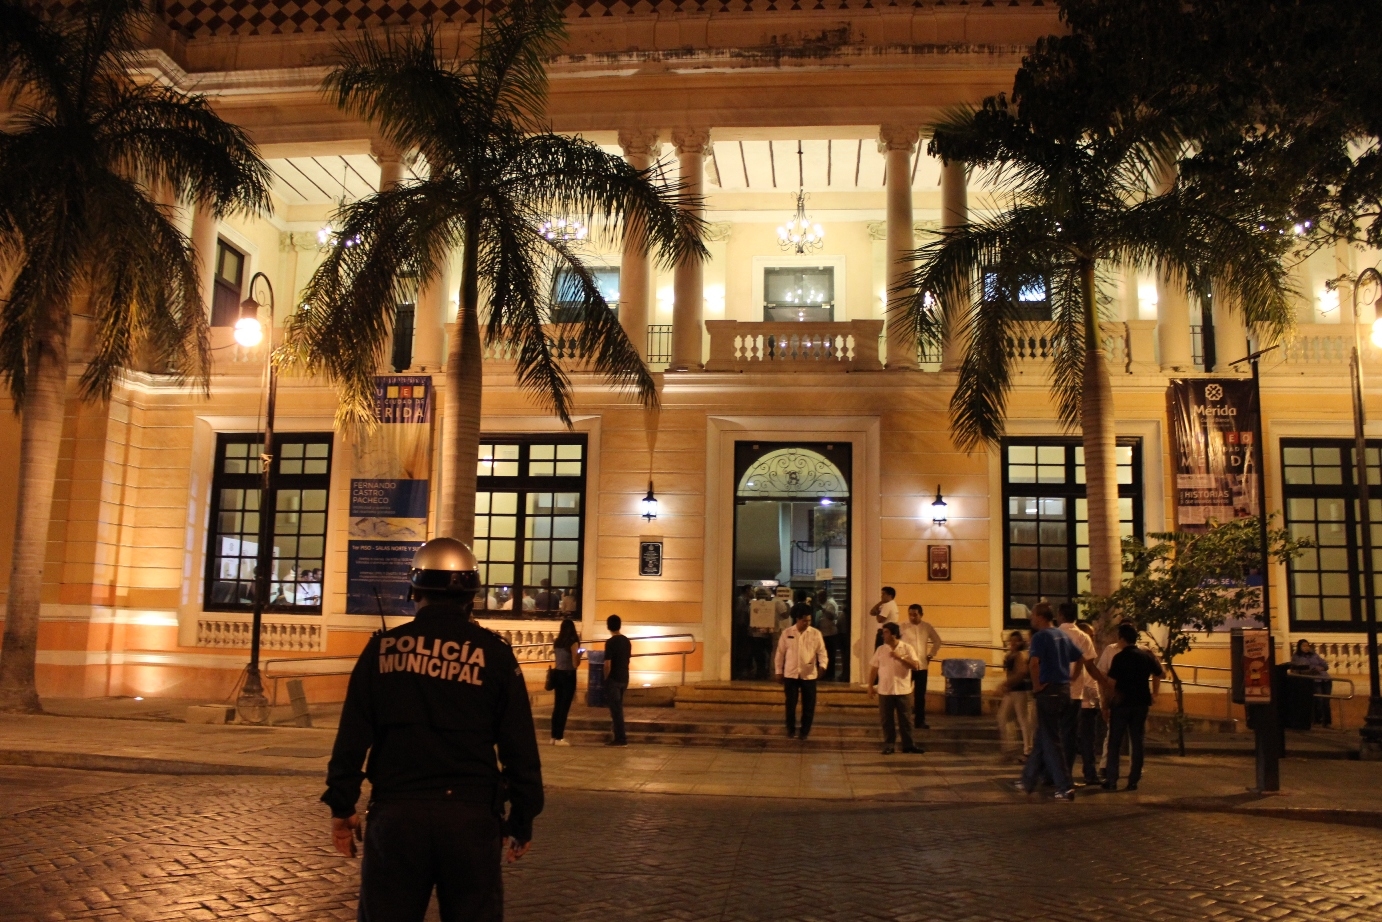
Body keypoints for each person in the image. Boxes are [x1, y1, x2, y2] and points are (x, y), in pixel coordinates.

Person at [322, 537, 543, 922]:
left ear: (414, 590)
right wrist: (522, 818)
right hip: (471, 821)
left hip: (397, 816)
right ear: (472, 594)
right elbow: (519, 747)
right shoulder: (494, 654)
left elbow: (353, 735)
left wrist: (343, 804)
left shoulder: (383, 650)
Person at [1016, 602, 1083, 800]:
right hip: (1063, 690)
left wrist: (1037, 686)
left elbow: (1034, 664)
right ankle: (1027, 780)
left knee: (1051, 740)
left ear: (1041, 617)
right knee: (1042, 738)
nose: (1031, 618)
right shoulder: (1062, 635)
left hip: (1048, 691)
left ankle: (1065, 786)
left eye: (1033, 615)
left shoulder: (1041, 637)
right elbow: (1080, 658)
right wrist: (1072, 678)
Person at [1101, 621, 1163, 791]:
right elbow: (1161, 673)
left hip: (1121, 704)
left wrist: (1105, 704)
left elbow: (1111, 683)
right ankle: (1133, 780)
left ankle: (1112, 780)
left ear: (1122, 639)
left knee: (1115, 742)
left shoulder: (1119, 658)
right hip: (1141, 703)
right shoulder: (1146, 655)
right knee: (1137, 742)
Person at [1056, 602, 1100, 787]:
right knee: (1069, 736)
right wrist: (1104, 682)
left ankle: (1050, 774)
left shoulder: (1053, 635)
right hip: (1074, 693)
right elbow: (1089, 665)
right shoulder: (1083, 637)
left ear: (1060, 615)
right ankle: (1065, 776)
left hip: (1054, 689)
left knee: (1051, 733)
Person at [774, 603, 830, 740]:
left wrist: (823, 666)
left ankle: (804, 731)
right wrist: (778, 671)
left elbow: (822, 652)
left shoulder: (816, 634)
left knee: (809, 705)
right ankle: (790, 729)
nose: (807, 623)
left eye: (809, 620)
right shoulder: (787, 633)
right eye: (804, 620)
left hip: (809, 674)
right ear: (797, 619)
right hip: (791, 674)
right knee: (791, 704)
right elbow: (780, 654)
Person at [868, 622, 924, 755]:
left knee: (905, 719)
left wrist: (901, 657)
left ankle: (908, 745)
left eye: (886, 632)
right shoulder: (881, 649)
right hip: (885, 689)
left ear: (894, 634)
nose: (883, 635)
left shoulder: (907, 648)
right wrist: (870, 686)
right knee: (886, 719)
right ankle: (889, 745)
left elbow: (915, 665)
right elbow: (874, 668)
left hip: (902, 689)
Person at [902, 604, 943, 729]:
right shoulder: (902, 627)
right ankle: (905, 720)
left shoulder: (926, 627)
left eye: (915, 614)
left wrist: (930, 654)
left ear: (921, 614)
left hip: (922, 666)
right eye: (910, 614)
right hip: (907, 666)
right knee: (904, 694)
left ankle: (920, 721)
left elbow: (937, 641)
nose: (912, 617)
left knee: (920, 696)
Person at [996, 630, 1033, 760]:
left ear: (1021, 642)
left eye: (1016, 640)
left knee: (1023, 720)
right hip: (1012, 691)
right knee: (1003, 717)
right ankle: (1010, 747)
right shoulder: (1010, 655)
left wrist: (1006, 684)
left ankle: (1028, 749)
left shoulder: (1021, 655)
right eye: (1011, 641)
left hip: (1020, 690)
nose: (1013, 643)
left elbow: (1021, 672)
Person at [549, 617, 582, 746]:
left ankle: (553, 736)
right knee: (564, 707)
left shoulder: (557, 642)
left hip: (557, 674)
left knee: (557, 706)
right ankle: (559, 737)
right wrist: (580, 654)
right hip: (568, 675)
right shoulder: (573, 642)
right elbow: (575, 663)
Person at [603, 615, 631, 746]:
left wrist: (605, 678)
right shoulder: (626, 641)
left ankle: (621, 738)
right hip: (624, 677)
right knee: (618, 707)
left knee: (616, 710)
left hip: (614, 678)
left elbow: (607, 664)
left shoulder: (610, 643)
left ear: (609, 626)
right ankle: (618, 736)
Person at [1292, 639, 1333, 727]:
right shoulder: (1296, 657)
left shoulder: (1314, 655)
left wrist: (1321, 668)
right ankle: (1318, 720)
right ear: (1299, 647)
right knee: (1319, 700)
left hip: (1325, 679)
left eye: (1307, 645)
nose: (1306, 647)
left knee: (1326, 701)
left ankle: (1327, 721)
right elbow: (1297, 669)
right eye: (1303, 646)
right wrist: (1311, 670)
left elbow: (1325, 664)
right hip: (1314, 680)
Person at [816, 590, 841, 681]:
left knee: (830, 655)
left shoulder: (830, 604)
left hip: (830, 634)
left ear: (824, 596)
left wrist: (822, 609)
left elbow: (831, 616)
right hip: (823, 633)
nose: (818, 599)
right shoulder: (825, 604)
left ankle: (830, 675)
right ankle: (824, 674)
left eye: (820, 597)